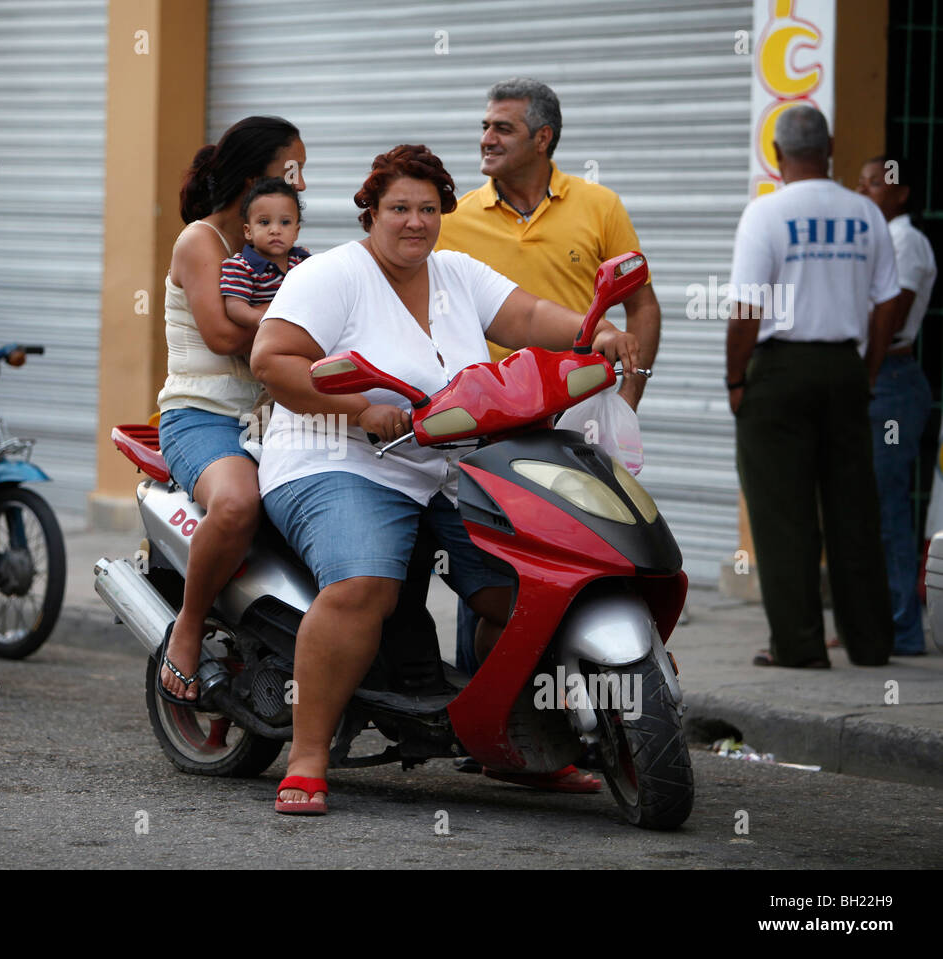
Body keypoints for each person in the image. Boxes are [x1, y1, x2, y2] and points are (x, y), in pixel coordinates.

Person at [250, 144, 639, 814]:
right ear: (370, 211)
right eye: (399, 207)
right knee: (363, 583)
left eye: (428, 208)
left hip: (446, 466)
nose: (415, 221)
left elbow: (524, 318)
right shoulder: (335, 275)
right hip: (338, 460)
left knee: (527, 589)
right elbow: (273, 358)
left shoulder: (455, 273)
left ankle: (512, 743)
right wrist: (360, 409)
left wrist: (591, 330)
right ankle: (308, 754)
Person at [434, 78, 661, 685]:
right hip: (486, 420)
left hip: (578, 419)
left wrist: (630, 393)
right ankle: (485, 718)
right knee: (493, 560)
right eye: (485, 125)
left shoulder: (598, 205)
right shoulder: (453, 217)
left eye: (501, 128)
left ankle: (586, 697)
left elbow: (641, 304)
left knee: (589, 545)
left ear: (543, 137)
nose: (486, 138)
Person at [726, 106, 899, 668]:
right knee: (854, 507)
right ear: (831, 148)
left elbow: (747, 309)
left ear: (777, 156)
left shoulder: (766, 213)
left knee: (783, 515)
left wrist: (735, 379)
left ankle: (800, 647)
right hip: (844, 369)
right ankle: (871, 642)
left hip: (779, 373)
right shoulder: (867, 214)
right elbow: (888, 302)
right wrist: (867, 369)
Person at [154, 117, 307, 704]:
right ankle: (188, 628)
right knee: (239, 501)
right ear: (253, 180)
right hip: (202, 415)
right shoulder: (202, 242)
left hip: (278, 415)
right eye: (291, 170)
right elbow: (221, 335)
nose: (301, 183)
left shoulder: (286, 253)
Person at [857, 154, 937, 656]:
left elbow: (889, 317)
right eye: (859, 185)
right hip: (878, 376)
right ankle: (877, 621)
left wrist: (862, 374)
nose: (864, 193)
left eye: (874, 185)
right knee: (869, 506)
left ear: (901, 192)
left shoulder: (907, 240)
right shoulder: (880, 239)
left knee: (887, 508)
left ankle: (903, 628)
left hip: (890, 379)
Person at [219, 177, 311, 331]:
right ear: (248, 231)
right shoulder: (241, 266)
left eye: (285, 223)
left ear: (296, 231)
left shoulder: (303, 261)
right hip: (263, 342)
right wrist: (262, 320)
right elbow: (235, 305)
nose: (275, 230)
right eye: (264, 222)